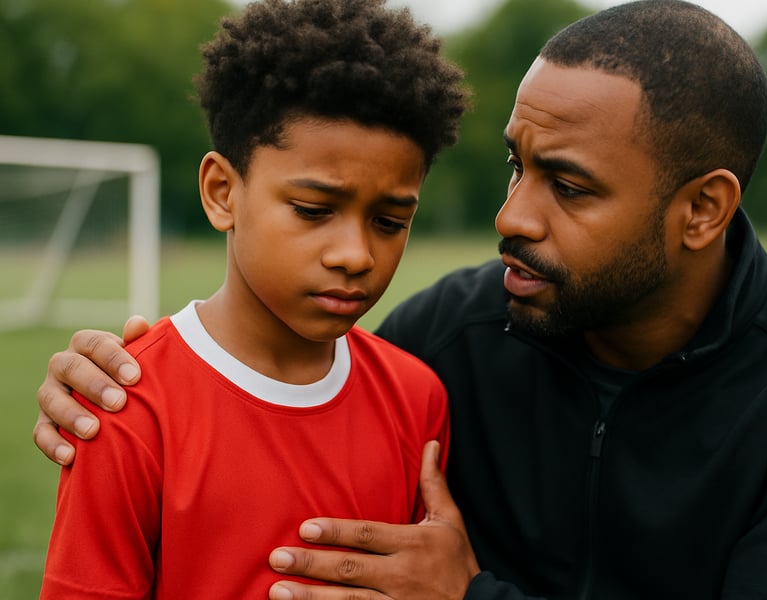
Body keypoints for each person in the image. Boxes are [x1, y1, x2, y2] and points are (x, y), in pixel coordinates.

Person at [35, 1, 767, 598]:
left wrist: (470, 597)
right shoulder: (448, 340)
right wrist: (113, 385)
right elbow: (265, 373)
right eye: (517, 164)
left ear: (702, 211)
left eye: (568, 184)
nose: (510, 215)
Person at [37, 0, 468, 597]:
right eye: (314, 211)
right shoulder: (125, 404)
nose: (356, 255)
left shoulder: (417, 398)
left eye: (390, 221)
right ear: (221, 193)